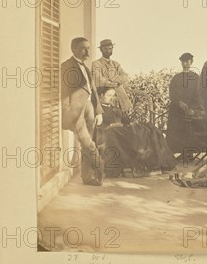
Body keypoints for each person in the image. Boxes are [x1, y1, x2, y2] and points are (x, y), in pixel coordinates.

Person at [96, 86, 176, 177]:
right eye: (109, 95)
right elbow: (97, 124)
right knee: (133, 133)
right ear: (101, 96)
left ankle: (157, 164)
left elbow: (127, 120)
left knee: (148, 130)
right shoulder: (97, 110)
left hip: (120, 129)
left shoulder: (116, 109)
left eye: (113, 96)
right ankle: (142, 166)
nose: (112, 98)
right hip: (108, 131)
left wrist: (132, 123)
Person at [61, 37, 104, 186]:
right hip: (76, 110)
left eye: (88, 48)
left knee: (88, 143)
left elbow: (93, 91)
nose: (87, 51)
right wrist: (67, 115)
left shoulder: (86, 67)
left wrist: (98, 111)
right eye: (83, 48)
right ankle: (102, 167)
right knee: (89, 144)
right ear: (74, 50)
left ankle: (88, 177)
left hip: (89, 108)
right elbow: (64, 93)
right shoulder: (66, 66)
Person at [166, 52, 207, 160]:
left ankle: (189, 153)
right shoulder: (176, 78)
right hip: (176, 108)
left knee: (191, 126)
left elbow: (199, 95)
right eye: (183, 61)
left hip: (191, 109)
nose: (185, 63)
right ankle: (179, 152)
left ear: (191, 62)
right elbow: (172, 93)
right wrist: (179, 102)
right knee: (176, 126)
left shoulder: (196, 77)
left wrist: (193, 107)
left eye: (187, 61)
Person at [91, 39, 132, 114]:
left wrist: (112, 78)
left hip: (120, 96)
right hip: (103, 96)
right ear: (101, 50)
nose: (108, 51)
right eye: (105, 49)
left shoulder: (116, 64)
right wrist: (115, 83)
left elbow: (125, 77)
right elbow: (99, 79)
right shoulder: (96, 64)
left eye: (110, 48)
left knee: (124, 118)